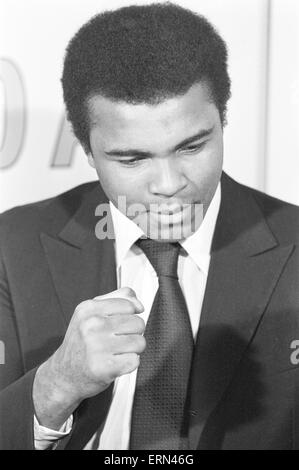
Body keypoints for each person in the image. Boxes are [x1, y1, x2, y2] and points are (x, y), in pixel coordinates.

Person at [0, 2, 299, 450]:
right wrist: (56, 385)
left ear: (223, 120)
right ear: (85, 149)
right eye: (133, 158)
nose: (169, 185)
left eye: (192, 146)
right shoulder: (13, 246)